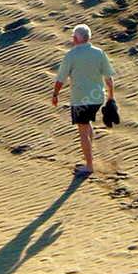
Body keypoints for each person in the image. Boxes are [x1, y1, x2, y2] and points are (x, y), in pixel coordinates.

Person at [51, 23, 115, 176]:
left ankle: (89, 165)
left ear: (76, 38)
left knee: (82, 130)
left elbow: (61, 78)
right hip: (97, 97)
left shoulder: (71, 55)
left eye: (73, 37)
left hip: (81, 99)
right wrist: (111, 95)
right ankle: (89, 156)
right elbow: (108, 76)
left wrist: (55, 94)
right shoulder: (99, 53)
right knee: (87, 124)